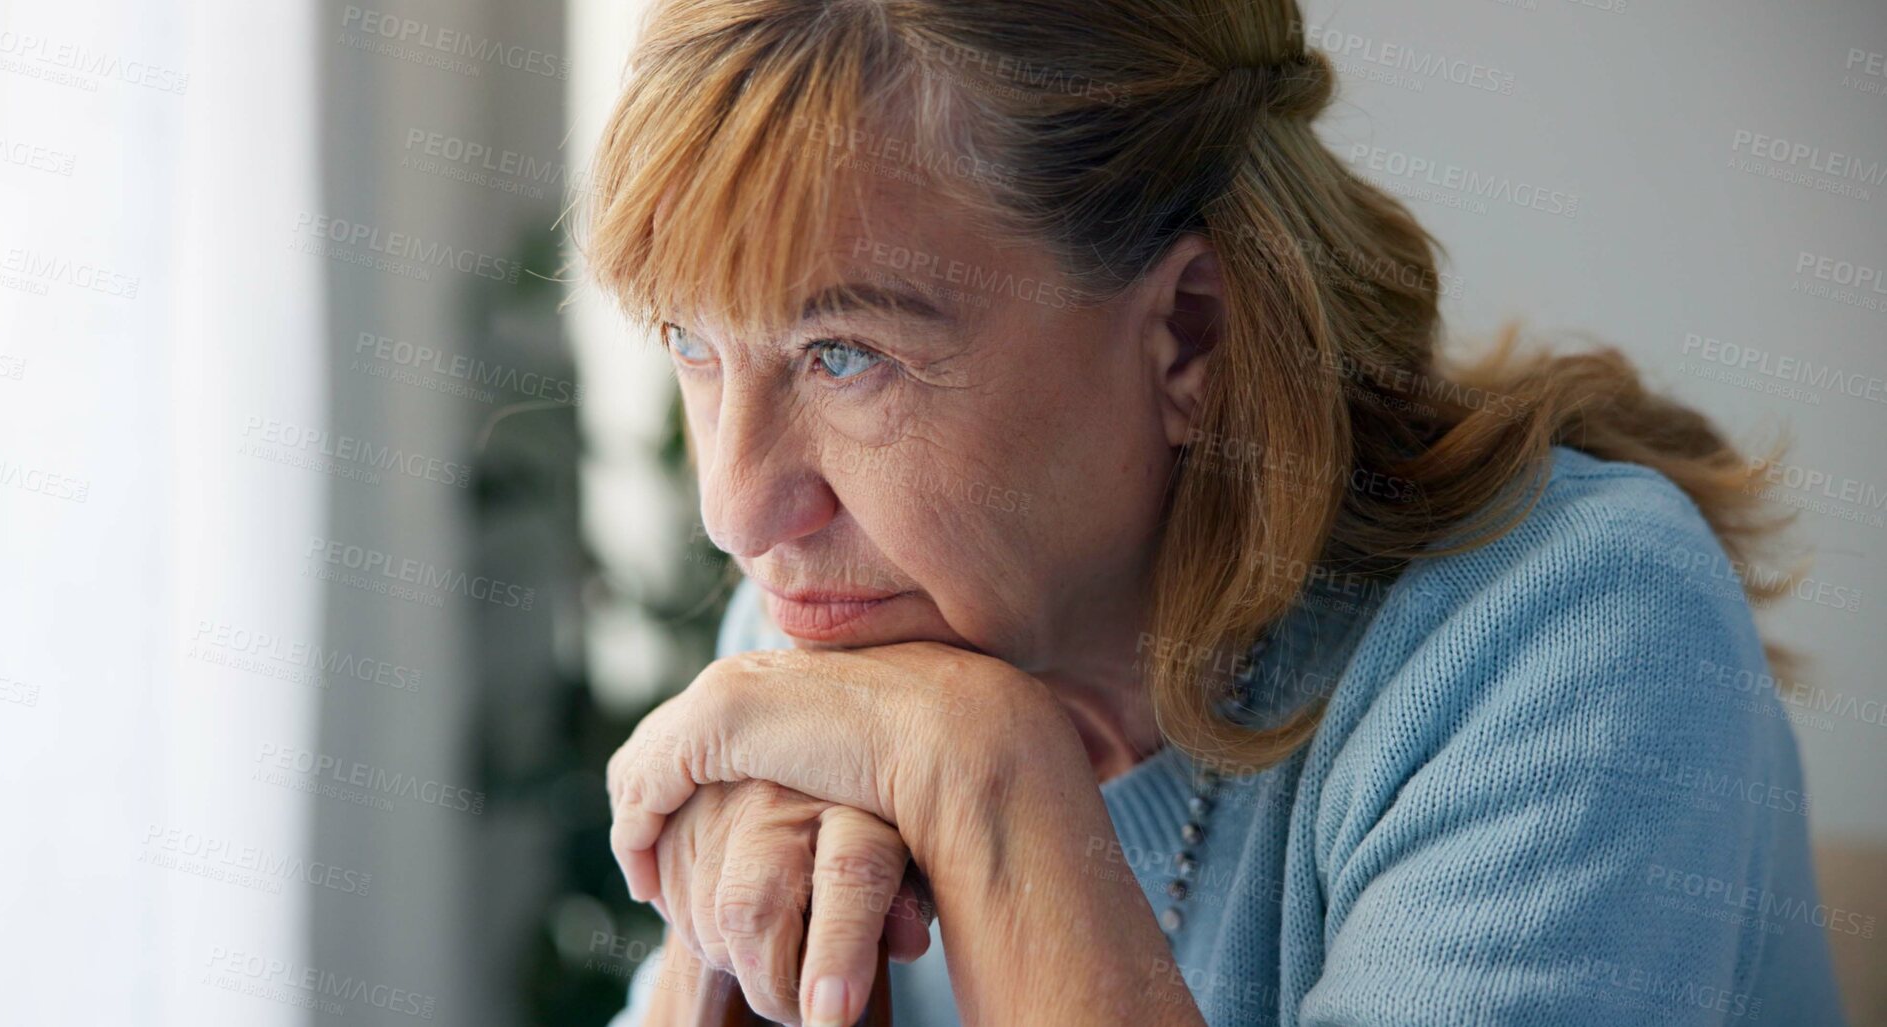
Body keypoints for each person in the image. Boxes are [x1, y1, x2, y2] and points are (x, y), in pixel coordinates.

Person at [586, 1, 1849, 1023]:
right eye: (691, 342)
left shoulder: (1578, 638)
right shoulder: (831, 618)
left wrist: (988, 778)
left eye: (843, 352)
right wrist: (727, 959)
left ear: (1189, 333)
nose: (739, 509)